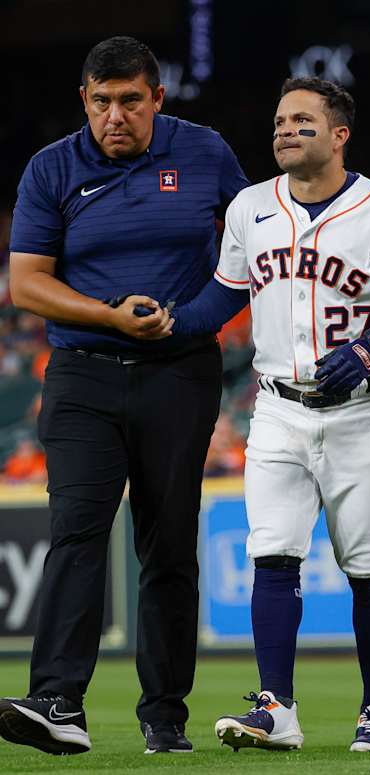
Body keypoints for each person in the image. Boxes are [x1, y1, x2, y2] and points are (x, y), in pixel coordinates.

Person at [169, 76, 370, 752]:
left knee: (369, 568)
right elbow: (224, 296)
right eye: (279, 121)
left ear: (339, 134)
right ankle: (277, 708)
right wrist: (169, 321)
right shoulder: (250, 206)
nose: (285, 130)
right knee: (272, 554)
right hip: (277, 409)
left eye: (302, 120)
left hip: (360, 412)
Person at [0, 36, 248, 755]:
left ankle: (164, 717)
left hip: (180, 370)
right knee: (76, 530)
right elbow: (27, 283)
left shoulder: (204, 152)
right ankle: (57, 701)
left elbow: (256, 245)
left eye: (131, 101)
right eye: (102, 101)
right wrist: (109, 315)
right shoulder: (52, 167)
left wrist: (193, 317)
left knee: (168, 542)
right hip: (83, 373)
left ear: (157, 98)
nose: (116, 116)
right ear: (83, 100)